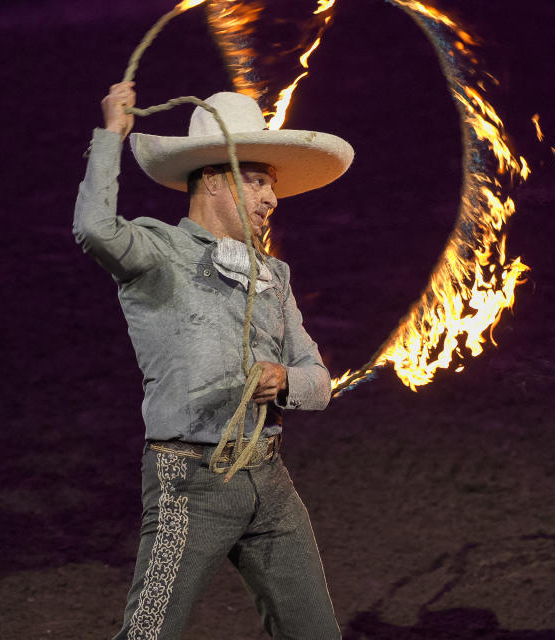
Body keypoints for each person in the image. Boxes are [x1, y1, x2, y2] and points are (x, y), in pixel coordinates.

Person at [73, 82, 354, 640]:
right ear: (215, 180)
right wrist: (110, 137)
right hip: (191, 482)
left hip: (269, 481)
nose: (271, 198)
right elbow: (94, 229)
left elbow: (319, 383)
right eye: (256, 182)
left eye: (270, 186)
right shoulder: (157, 252)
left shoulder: (276, 276)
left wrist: (284, 379)